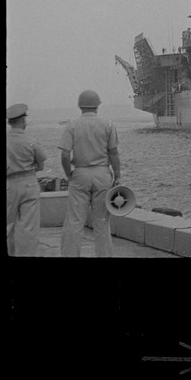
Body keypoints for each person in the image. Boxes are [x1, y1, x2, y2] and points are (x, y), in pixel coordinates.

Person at [59, 90, 121, 257]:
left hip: (79, 174)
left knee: (74, 222)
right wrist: (118, 176)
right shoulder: (108, 124)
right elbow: (114, 153)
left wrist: (69, 175)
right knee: (102, 223)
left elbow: (65, 154)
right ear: (97, 106)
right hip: (102, 175)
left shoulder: (72, 125)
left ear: (80, 106)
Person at [6, 103, 47, 256]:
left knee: (8, 223)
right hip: (29, 183)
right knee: (28, 226)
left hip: (9, 184)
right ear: (23, 120)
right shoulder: (31, 141)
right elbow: (41, 165)